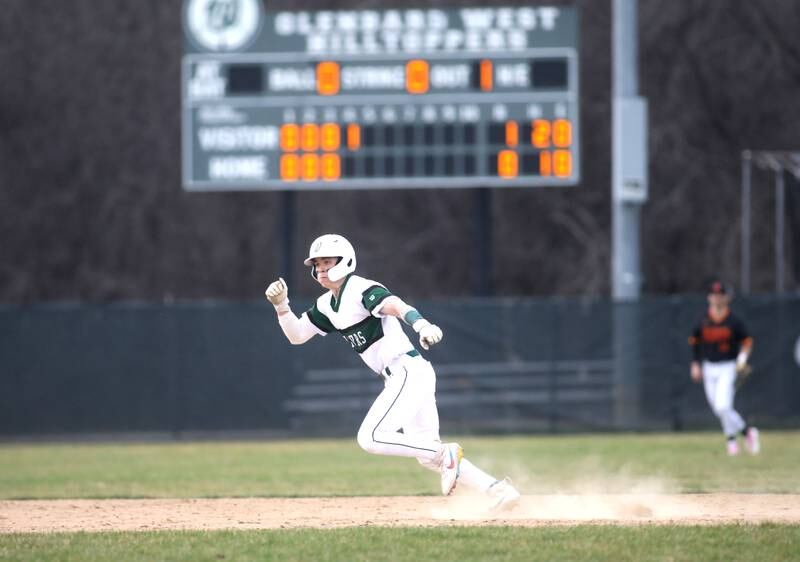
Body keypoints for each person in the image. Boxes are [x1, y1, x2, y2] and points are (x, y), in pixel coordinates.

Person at [264, 233, 520, 511]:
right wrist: (282, 306)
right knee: (428, 455)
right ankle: (497, 490)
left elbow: (396, 305)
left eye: (327, 261)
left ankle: (447, 453)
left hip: (406, 369)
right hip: (405, 375)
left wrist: (421, 325)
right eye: (317, 263)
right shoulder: (326, 304)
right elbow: (297, 335)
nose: (321, 268)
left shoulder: (360, 288)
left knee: (370, 437)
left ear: (345, 260)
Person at [689, 279, 760, 456]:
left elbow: (747, 342)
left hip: (727, 366)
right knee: (719, 408)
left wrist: (742, 359)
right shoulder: (703, 320)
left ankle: (731, 441)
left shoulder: (733, 321)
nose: (717, 298)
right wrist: (695, 364)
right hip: (708, 367)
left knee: (722, 406)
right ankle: (747, 432)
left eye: (720, 295)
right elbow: (694, 342)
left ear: (726, 298)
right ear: (709, 297)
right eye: (714, 295)